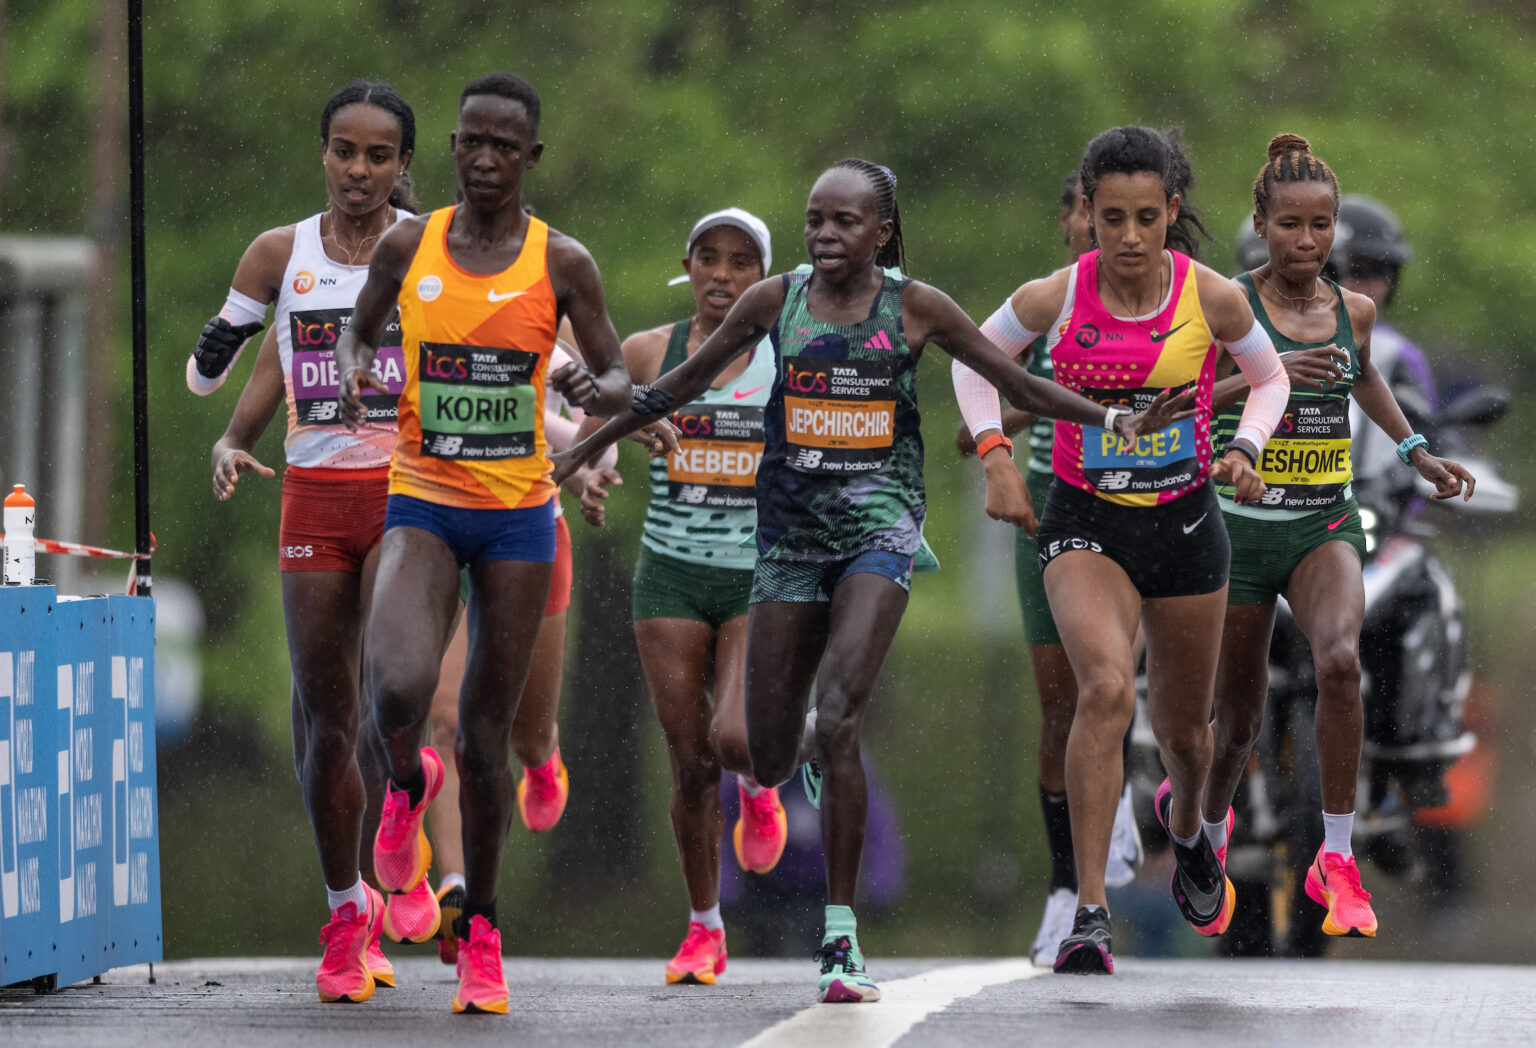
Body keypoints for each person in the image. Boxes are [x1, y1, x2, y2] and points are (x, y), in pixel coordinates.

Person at [554, 157, 1187, 1002]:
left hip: (879, 534)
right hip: (787, 541)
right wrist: (580, 449)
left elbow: (1014, 379)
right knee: (764, 753)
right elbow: (671, 388)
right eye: (816, 219)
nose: (825, 234)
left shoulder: (914, 307)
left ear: (881, 231)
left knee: (846, 711)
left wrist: (1114, 416)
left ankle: (841, 940)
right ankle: (809, 740)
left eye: (844, 222)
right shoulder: (772, 302)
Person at [952, 125, 1291, 974]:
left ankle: (1188, 834)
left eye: (1147, 216)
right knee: (1103, 690)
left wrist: (1244, 448)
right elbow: (972, 362)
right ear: (1088, 215)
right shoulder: (1053, 297)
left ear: (1171, 212)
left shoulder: (1212, 298)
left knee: (1188, 736)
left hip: (1183, 523)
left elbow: (1271, 377)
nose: (1130, 236)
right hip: (1085, 520)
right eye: (1112, 218)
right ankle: (1090, 915)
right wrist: (996, 459)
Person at [335, 72, 633, 1015]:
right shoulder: (407, 243)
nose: (487, 158)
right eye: (473, 142)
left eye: (506, 145)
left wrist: (598, 394)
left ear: (531, 157)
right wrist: (352, 373)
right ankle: (399, 789)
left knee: (480, 741)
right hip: (423, 497)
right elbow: (358, 330)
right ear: (452, 151)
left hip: (516, 518)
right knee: (393, 688)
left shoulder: (563, 261)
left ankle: (483, 934)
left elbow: (619, 372)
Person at [1200, 134, 1474, 941]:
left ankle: (1339, 857)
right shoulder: (1228, 306)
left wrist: (1418, 452)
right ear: (1262, 225)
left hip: (1324, 518)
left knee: (1342, 663)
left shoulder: (1354, 311)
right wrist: (1265, 386)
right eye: (1291, 226)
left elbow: (1367, 377)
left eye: (1322, 229)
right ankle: (1208, 841)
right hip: (1245, 522)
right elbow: (1183, 401)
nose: (1308, 243)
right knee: (1239, 719)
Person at [203, 80, 423, 1003]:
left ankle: (408, 788)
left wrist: (577, 407)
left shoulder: (433, 248)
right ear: (322, 153)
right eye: (344, 151)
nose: (359, 171)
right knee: (326, 720)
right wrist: (230, 438)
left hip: (408, 494)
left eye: (378, 156)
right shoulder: (281, 251)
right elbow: (250, 361)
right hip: (314, 499)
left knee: (389, 693)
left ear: (404, 164)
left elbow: (513, 346)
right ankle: (347, 913)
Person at [954, 171, 1143, 968]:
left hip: (1159, 515)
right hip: (1063, 519)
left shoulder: (1174, 303)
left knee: (1150, 688)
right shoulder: (1045, 308)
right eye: (1085, 213)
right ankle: (1068, 890)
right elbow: (970, 433)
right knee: (1063, 704)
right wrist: (1058, 395)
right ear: (1073, 221)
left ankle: (1151, 793)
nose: (1098, 228)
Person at [599, 207, 789, 985]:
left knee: (735, 736)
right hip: (670, 572)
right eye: (708, 258)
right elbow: (593, 419)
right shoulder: (653, 350)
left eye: (741, 262)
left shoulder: (788, 353)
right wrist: (598, 463)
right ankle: (704, 927)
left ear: (763, 278)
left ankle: (762, 782)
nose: (722, 274)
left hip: (754, 574)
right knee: (687, 763)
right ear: (689, 265)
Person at [426, 337, 621, 966]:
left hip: (531, 532)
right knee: (450, 719)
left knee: (525, 731)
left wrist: (593, 466)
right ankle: (453, 887)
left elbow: (593, 412)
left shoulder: (527, 309)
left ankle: (543, 757)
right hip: (439, 526)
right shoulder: (413, 306)